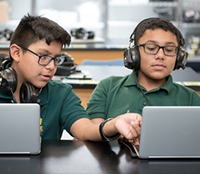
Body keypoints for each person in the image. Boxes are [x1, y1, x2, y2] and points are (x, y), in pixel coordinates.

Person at [0, 14, 142, 141]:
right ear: (16, 53)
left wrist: (114, 123)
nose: (51, 67)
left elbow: (85, 130)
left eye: (56, 59)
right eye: (43, 56)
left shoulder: (61, 93)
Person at [86, 17, 200, 127]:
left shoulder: (190, 98)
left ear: (179, 57)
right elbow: (95, 132)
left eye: (169, 50)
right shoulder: (108, 87)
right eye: (151, 48)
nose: (160, 56)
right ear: (134, 53)